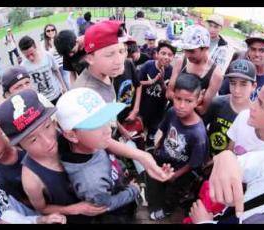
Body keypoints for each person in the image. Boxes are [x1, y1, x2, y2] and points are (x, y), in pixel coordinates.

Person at [71, 20, 175, 185]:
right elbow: (100, 141)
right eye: (109, 54)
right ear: (90, 58)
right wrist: (142, 156)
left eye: (122, 50)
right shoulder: (87, 94)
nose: (119, 60)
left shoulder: (106, 72)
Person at [0, 89, 107, 222]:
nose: (48, 141)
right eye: (33, 140)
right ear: (19, 146)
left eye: (47, 127)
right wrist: (75, 209)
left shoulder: (67, 136)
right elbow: (42, 208)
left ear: (53, 122)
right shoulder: (32, 179)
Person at [56, 88, 140, 223]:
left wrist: (121, 167)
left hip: (118, 182)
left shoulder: (92, 143)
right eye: (95, 125)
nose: (108, 130)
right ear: (72, 135)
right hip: (118, 213)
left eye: (105, 119)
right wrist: (133, 191)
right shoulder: (90, 181)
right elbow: (106, 204)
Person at [147, 73, 209, 220]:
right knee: (158, 184)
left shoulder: (198, 135)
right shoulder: (171, 112)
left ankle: (167, 210)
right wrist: (159, 145)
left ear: (198, 100)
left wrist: (176, 175)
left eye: (188, 101)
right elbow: (165, 130)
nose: (181, 106)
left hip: (180, 172)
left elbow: (194, 163)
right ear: (173, 95)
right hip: (163, 159)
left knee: (172, 194)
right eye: (178, 99)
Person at [203, 59, 257, 156]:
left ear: (253, 86)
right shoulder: (217, 103)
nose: (236, 90)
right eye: (233, 83)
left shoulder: (254, 115)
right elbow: (201, 129)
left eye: (243, 84)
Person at [168, 25, 223, 115]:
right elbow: (168, 93)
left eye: (192, 51)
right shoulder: (181, 61)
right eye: (185, 50)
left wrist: (178, 98)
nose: (187, 54)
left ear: (205, 48)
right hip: (171, 115)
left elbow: (203, 110)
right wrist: (193, 101)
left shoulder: (215, 75)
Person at [138, 40, 176, 147]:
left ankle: (150, 146)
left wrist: (162, 82)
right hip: (143, 107)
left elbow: (169, 94)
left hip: (158, 112)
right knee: (139, 133)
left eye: (170, 55)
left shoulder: (173, 72)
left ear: (173, 57)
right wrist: (152, 81)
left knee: (151, 136)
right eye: (163, 53)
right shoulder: (148, 65)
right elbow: (137, 83)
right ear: (157, 54)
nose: (166, 57)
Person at [219, 36, 264, 100]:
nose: (257, 54)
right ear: (248, 52)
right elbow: (222, 92)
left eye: (262, 50)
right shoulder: (238, 68)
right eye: (253, 49)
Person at [18, 35, 67, 105]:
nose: (31, 58)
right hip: (41, 100)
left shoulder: (48, 56)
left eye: (32, 54)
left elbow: (56, 71)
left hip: (56, 94)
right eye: (27, 56)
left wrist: (63, 86)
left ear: (35, 47)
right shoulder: (23, 66)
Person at [42, 24, 71, 90]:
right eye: (48, 31)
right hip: (53, 68)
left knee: (68, 83)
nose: (51, 32)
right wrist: (52, 48)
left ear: (55, 30)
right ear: (45, 33)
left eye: (52, 30)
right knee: (60, 87)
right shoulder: (43, 43)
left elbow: (65, 51)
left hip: (62, 65)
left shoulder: (60, 39)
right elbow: (45, 55)